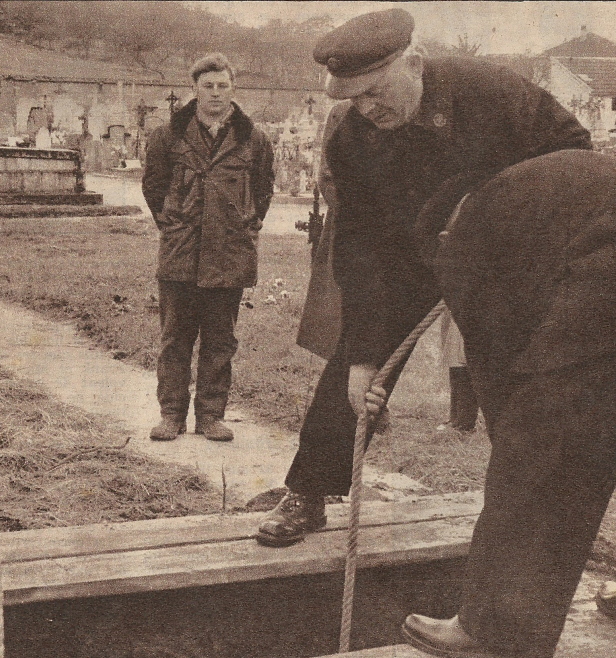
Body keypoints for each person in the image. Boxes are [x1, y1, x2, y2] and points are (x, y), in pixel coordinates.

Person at [256, 7, 592, 547]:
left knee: (515, 379)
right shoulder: (350, 137)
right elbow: (361, 246)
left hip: (499, 258)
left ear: (413, 64)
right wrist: (367, 357)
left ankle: (522, 518)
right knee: (350, 371)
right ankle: (308, 491)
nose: (367, 109)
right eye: (354, 98)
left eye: (376, 92)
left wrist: (498, 214)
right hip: (407, 260)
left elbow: (574, 155)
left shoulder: (489, 90)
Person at [393, 148, 616, 658]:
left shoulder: (466, 240)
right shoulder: (528, 189)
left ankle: (496, 628)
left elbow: (493, 362)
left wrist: (514, 438)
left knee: (540, 451)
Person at [142, 53, 275, 442]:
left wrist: (243, 225)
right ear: (195, 90)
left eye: (223, 86)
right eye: (208, 86)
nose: (215, 94)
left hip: (229, 255)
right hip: (181, 252)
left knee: (220, 340)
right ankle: (171, 414)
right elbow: (154, 187)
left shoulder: (253, 138)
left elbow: (263, 190)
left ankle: (211, 416)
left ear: (233, 89)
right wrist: (172, 224)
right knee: (174, 338)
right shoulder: (169, 135)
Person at [438, 309, 479, 432]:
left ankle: (464, 422)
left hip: (470, 314)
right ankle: (455, 418)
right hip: (456, 315)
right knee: (455, 363)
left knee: (464, 367)